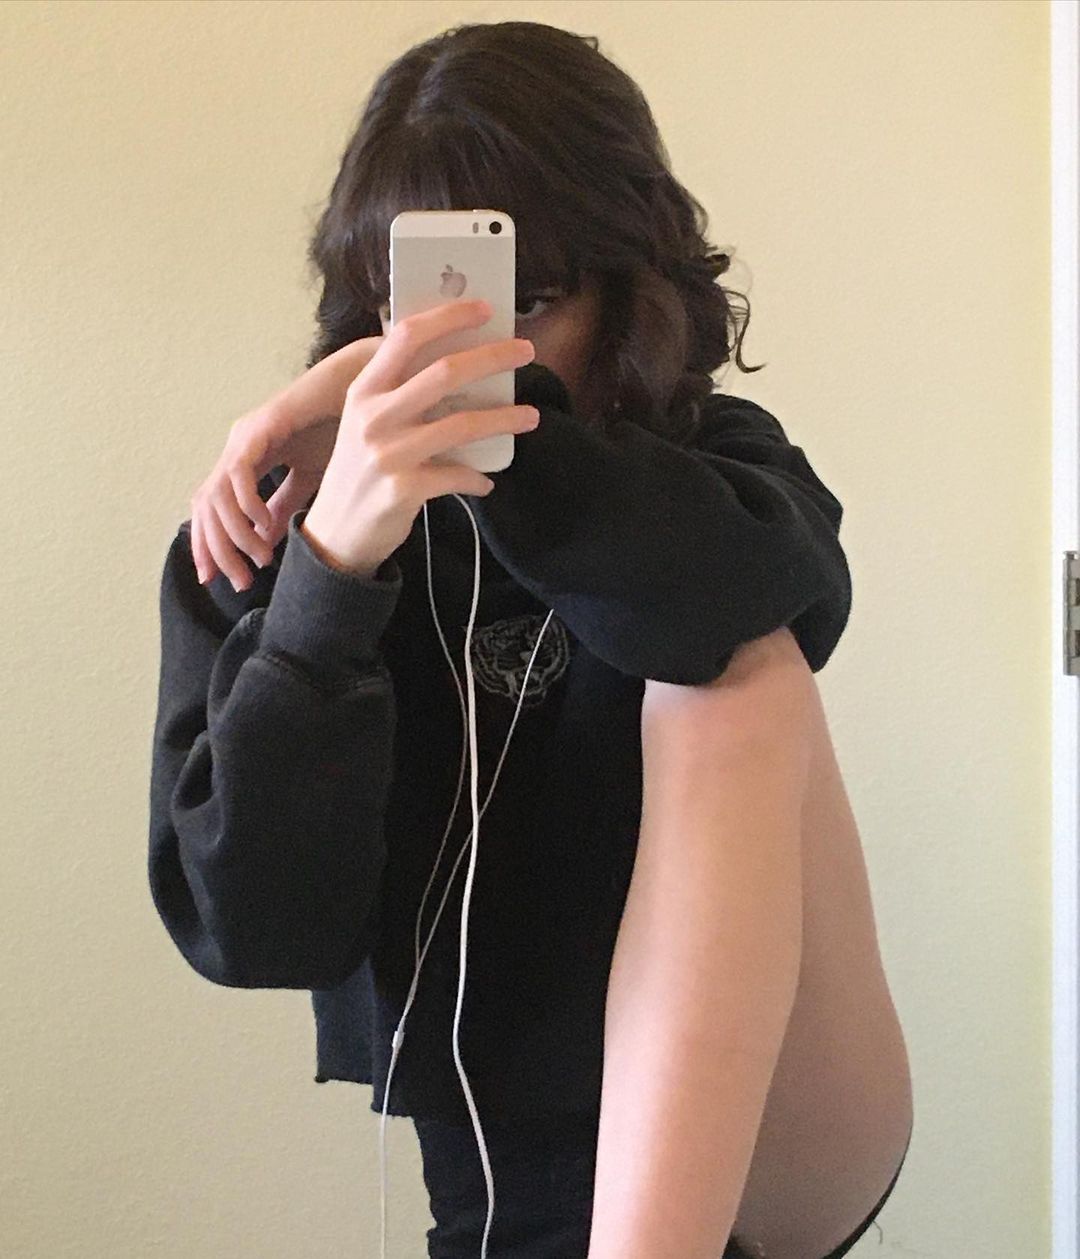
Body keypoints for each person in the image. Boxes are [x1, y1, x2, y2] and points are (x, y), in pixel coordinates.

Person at [148, 18, 912, 1259]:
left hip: (785, 1127)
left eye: (529, 302)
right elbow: (254, 930)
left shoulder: (712, 467)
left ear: (626, 290)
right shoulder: (278, 534)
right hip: (507, 1190)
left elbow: (777, 593)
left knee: (736, 670)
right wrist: (332, 580)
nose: (469, 346)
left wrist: (509, 444)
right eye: (421, 306)